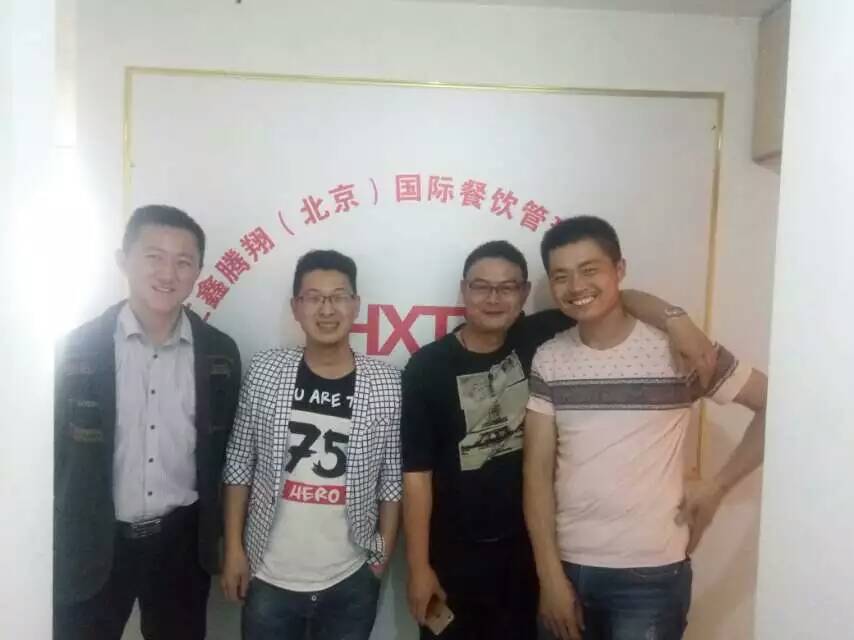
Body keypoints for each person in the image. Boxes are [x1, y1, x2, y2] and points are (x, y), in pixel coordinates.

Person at [402, 240, 717, 639]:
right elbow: (417, 475)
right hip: (455, 555)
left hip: (531, 555)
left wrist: (676, 319)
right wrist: (418, 567)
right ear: (464, 290)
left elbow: (615, 299)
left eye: (507, 287)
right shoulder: (428, 367)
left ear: (524, 293)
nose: (494, 299)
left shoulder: (542, 337)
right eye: (481, 287)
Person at [524, 216, 767, 640]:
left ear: (619, 270)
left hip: (650, 575)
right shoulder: (550, 357)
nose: (576, 286)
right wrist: (549, 575)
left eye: (590, 269)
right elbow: (536, 473)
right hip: (568, 566)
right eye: (561, 276)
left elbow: (775, 406)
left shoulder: (679, 350)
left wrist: (718, 486)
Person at [53, 204, 241, 640]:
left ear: (198, 272)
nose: (168, 273)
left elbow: (225, 453)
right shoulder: (76, 349)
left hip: (180, 545)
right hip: (93, 541)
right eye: (153, 257)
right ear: (123, 261)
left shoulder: (219, 353)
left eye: (183, 262)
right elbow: (50, 453)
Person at [221, 249, 402, 640]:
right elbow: (239, 464)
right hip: (268, 574)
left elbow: (391, 480)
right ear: (296, 307)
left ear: (356, 304)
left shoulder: (385, 383)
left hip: (350, 578)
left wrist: (380, 559)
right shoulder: (266, 370)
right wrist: (234, 549)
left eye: (338, 296)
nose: (327, 309)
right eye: (314, 297)